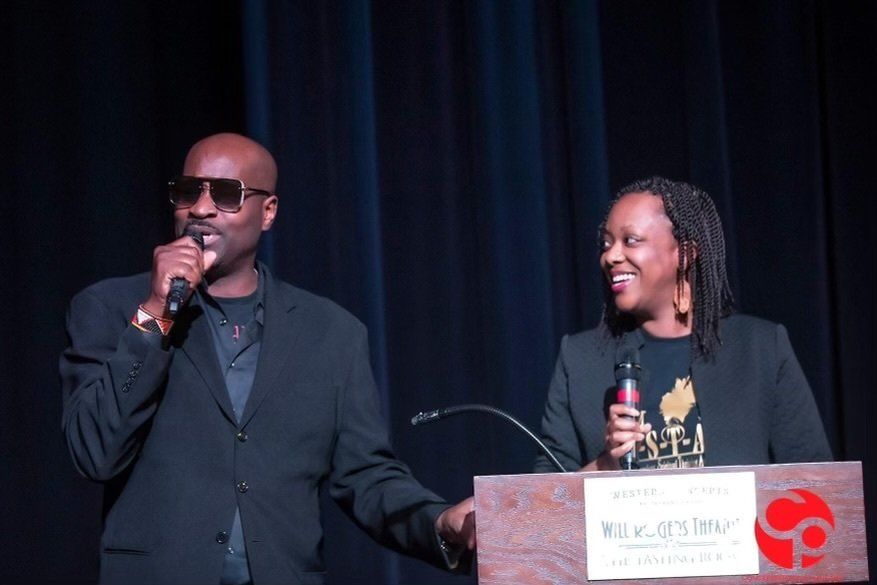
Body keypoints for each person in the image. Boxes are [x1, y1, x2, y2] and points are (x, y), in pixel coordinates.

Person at [60, 133, 475, 585]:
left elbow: (366, 476)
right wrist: (156, 314)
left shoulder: (331, 334)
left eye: (225, 194)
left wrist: (439, 523)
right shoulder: (111, 307)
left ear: (269, 211)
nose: (200, 208)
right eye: (187, 191)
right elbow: (95, 452)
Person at [534, 176, 832, 473]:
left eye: (630, 241)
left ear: (686, 253)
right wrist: (605, 464)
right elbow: (542, 502)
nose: (611, 256)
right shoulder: (580, 360)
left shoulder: (760, 348)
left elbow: (816, 481)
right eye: (607, 243)